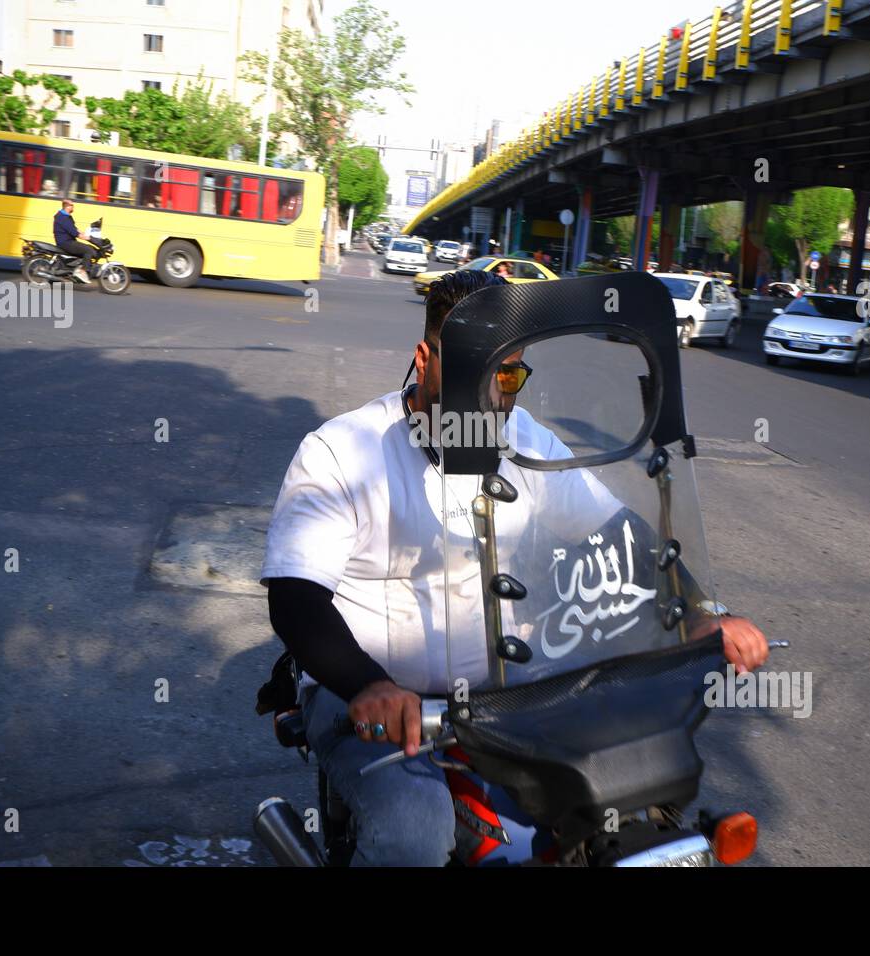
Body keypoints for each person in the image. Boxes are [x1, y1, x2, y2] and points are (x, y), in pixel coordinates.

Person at [260, 269, 771, 866]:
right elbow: (296, 596)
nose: (491, 395)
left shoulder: (528, 443)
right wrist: (369, 685)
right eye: (473, 371)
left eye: (506, 374)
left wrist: (701, 614)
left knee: (617, 796)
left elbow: (617, 533)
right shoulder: (341, 452)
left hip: (510, 700)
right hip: (376, 700)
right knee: (415, 829)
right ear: (424, 359)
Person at [53, 199, 95, 282]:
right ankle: (82, 272)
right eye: (72, 205)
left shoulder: (66, 216)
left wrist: (87, 235)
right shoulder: (63, 218)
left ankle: (75, 269)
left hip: (68, 241)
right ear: (67, 206)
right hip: (65, 243)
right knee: (88, 250)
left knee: (85, 248)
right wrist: (89, 238)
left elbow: (75, 229)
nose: (73, 207)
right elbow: (75, 233)